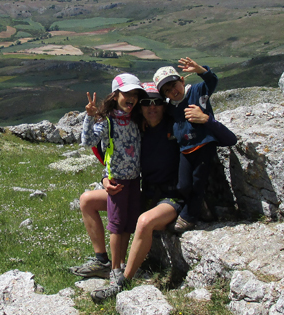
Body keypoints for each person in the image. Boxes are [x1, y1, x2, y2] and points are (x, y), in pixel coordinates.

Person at [89, 82, 185, 302]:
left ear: (165, 105)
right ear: (140, 108)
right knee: (87, 200)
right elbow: (115, 154)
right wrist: (105, 178)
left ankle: (121, 281)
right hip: (143, 192)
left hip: (170, 197)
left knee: (143, 222)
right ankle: (103, 261)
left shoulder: (176, 128)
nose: (152, 108)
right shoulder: (137, 129)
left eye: (157, 103)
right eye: (146, 103)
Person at [76, 73, 144, 282]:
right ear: (115, 95)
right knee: (117, 225)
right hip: (117, 182)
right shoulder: (108, 121)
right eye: (126, 93)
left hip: (134, 182)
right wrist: (89, 116)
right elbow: (88, 141)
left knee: (125, 226)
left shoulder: (137, 118)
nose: (131, 98)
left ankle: (120, 266)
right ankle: (112, 268)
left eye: (135, 94)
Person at [154, 57, 217, 233]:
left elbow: (212, 81)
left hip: (203, 145)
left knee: (197, 182)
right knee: (183, 185)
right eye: (167, 90)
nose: (172, 91)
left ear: (182, 80)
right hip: (185, 149)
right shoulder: (171, 107)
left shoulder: (197, 92)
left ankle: (189, 217)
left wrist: (201, 70)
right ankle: (201, 207)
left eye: (173, 85)